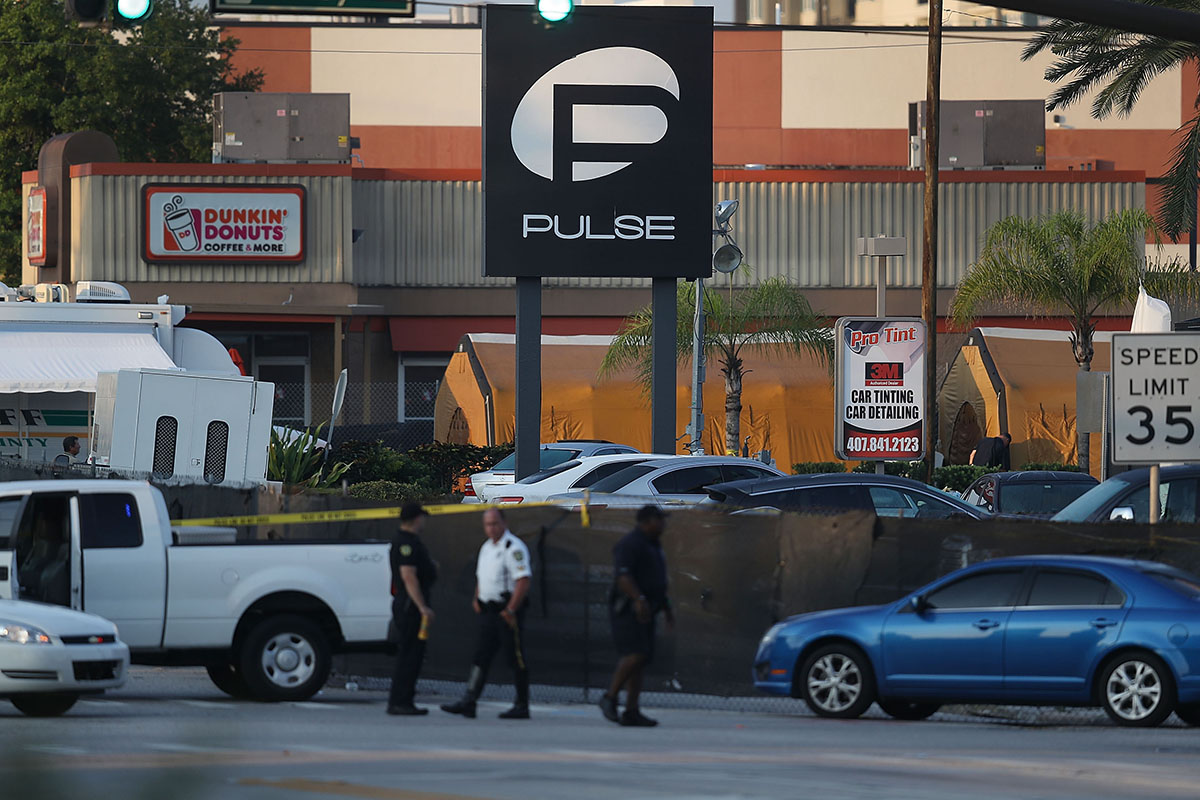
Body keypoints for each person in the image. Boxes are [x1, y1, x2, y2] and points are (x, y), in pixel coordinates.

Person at [441, 507, 532, 720]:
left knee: (515, 657)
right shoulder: (486, 547)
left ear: (504, 523)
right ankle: (469, 701)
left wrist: (511, 609)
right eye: (487, 524)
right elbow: (482, 577)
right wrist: (477, 597)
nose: (491, 528)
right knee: (481, 655)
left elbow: (523, 581)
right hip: (488, 611)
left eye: (494, 524)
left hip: (507, 611)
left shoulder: (513, 547)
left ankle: (522, 704)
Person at [598, 505, 674, 728]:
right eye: (660, 520)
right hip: (629, 610)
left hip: (648, 609)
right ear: (648, 521)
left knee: (640, 659)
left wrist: (667, 608)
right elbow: (623, 576)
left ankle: (632, 710)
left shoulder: (653, 544)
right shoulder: (630, 544)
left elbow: (659, 582)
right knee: (635, 654)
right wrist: (638, 599)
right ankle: (609, 697)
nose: (663, 525)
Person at [387, 503, 437, 716]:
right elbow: (408, 577)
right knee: (410, 654)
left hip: (408, 604)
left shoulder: (409, 542)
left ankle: (403, 699)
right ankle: (400, 701)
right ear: (416, 519)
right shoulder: (406, 543)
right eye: (422, 518)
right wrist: (422, 607)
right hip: (410, 606)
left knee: (413, 654)